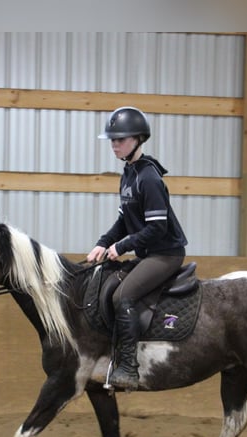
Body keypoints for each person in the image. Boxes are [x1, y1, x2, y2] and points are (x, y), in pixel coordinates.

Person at [87, 106, 188, 391]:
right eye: (112, 140)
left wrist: (121, 246)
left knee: (123, 296)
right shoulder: (128, 174)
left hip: (165, 254)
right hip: (148, 252)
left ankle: (129, 369)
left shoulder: (149, 178)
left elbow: (157, 227)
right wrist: (102, 242)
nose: (114, 144)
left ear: (138, 139)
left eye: (120, 139)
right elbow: (124, 220)